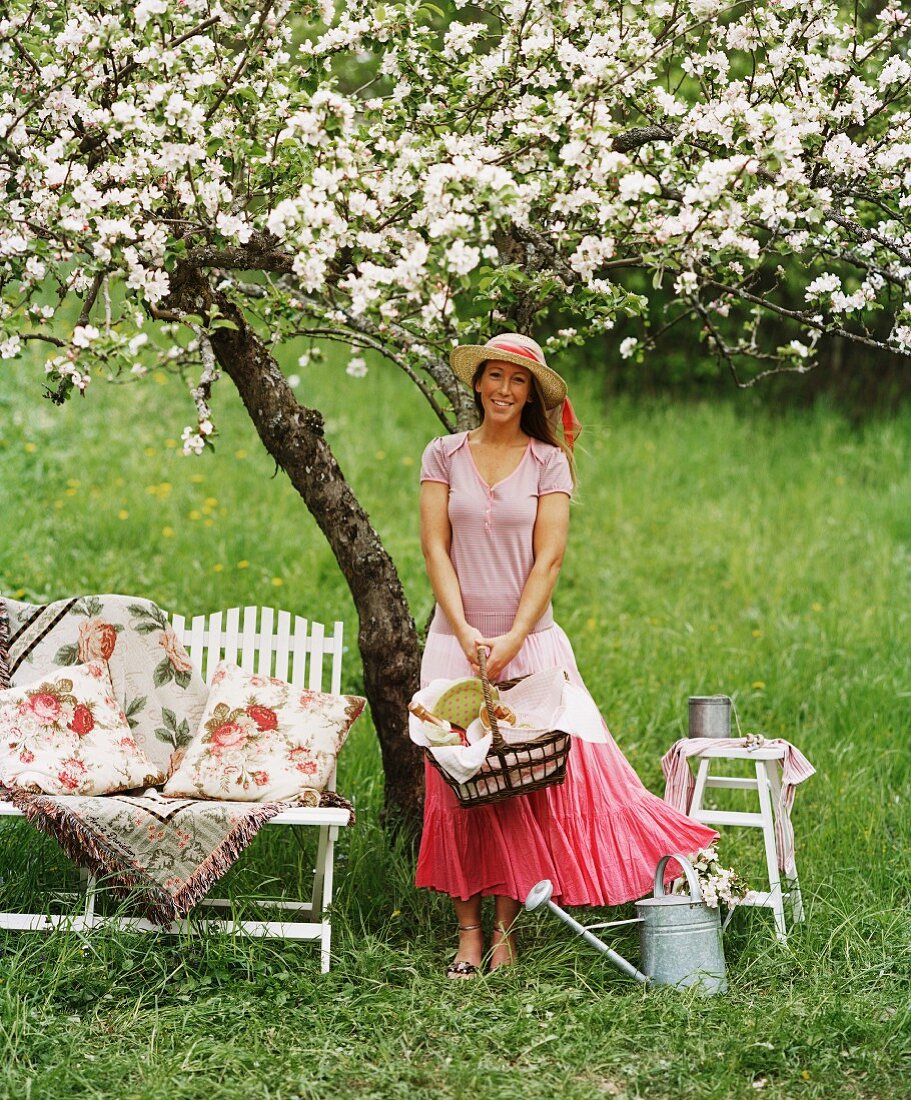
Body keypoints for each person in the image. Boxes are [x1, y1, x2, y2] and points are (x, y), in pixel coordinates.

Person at [416, 333, 718, 978]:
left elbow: (549, 560)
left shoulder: (548, 462)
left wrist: (513, 640)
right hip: (453, 646)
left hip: (531, 647)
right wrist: (467, 632)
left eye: (516, 381)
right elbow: (435, 549)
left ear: (531, 394)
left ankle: (505, 932)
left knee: (520, 785)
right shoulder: (442, 454)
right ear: (478, 384)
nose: (502, 390)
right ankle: (467, 933)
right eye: (494, 376)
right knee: (458, 785)